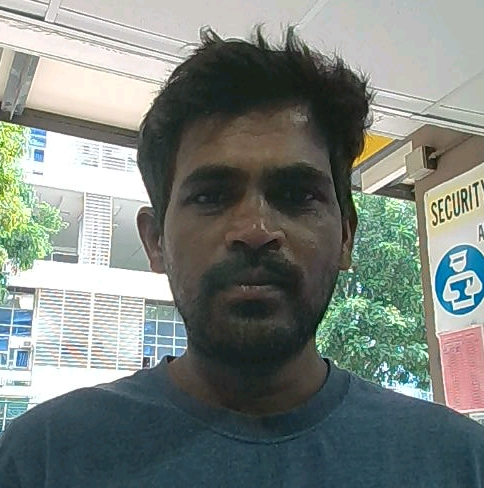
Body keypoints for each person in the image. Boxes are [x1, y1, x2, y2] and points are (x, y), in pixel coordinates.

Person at [1, 27, 483, 488]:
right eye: (211, 196)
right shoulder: (39, 460)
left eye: (296, 195)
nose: (255, 231)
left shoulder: (461, 463)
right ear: (155, 241)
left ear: (345, 236)